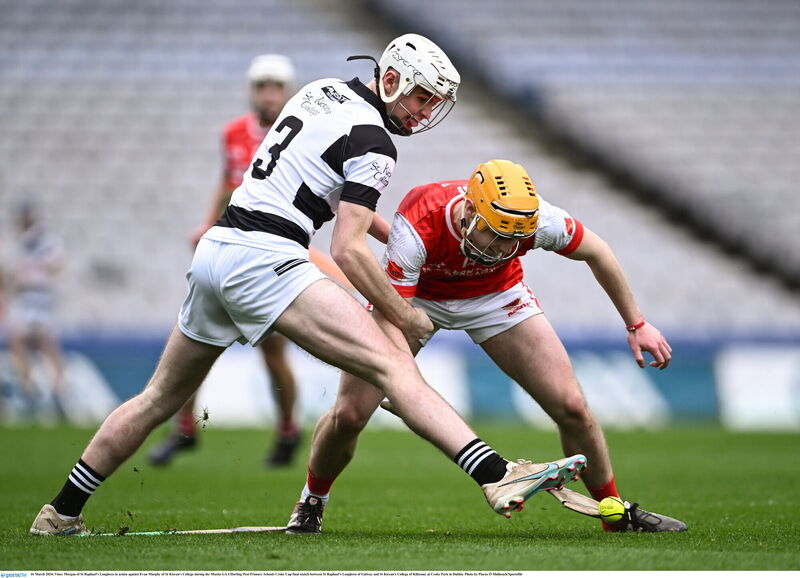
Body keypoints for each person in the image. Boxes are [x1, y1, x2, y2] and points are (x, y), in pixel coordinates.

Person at [30, 34, 586, 537]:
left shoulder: (320, 91)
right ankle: (496, 474)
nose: (423, 113)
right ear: (391, 79)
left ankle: (61, 511)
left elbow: (326, 192)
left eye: (432, 103)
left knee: (157, 399)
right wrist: (405, 314)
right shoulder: (376, 143)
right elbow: (347, 248)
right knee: (394, 364)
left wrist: (400, 234)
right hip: (267, 256)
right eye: (420, 98)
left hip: (218, 250)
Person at [285, 159, 687, 534]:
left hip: (496, 296)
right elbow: (396, 312)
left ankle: (613, 511)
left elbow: (597, 251)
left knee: (571, 406)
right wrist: (406, 386)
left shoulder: (538, 219)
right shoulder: (419, 223)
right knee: (350, 414)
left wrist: (636, 324)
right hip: (414, 300)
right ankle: (311, 501)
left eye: (512, 240)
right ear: (469, 212)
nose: (499, 248)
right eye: (492, 234)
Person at [148, 54, 352, 468]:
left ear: (288, 92)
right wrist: (207, 223)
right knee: (197, 342)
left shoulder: (302, 132)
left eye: (276, 87)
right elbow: (228, 184)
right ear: (251, 91)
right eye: (262, 87)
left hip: (272, 254)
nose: (269, 95)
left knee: (272, 353)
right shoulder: (234, 134)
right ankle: (185, 427)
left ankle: (288, 429)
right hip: (233, 245)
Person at [5, 201, 68, 419]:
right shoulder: (21, 243)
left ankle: (58, 392)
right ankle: (29, 389)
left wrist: (34, 267)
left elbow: (57, 265)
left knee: (47, 345)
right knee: (19, 343)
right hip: (25, 297)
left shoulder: (46, 241)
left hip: (40, 297)